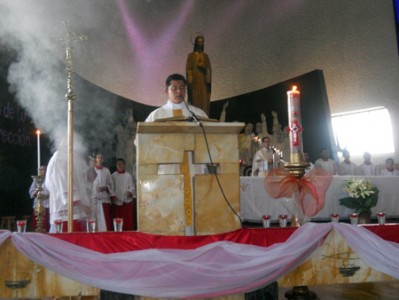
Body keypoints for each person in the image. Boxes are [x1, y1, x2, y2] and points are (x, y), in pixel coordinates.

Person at [45, 140, 91, 233]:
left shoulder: (72, 157)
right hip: (66, 213)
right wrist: (81, 205)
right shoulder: (59, 158)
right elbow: (64, 184)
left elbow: (84, 178)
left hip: (76, 214)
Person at [186, 34, 212, 115]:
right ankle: (195, 116)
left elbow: (209, 69)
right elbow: (188, 68)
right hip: (195, 82)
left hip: (203, 82)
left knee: (204, 100)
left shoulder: (205, 56)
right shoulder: (191, 56)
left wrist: (203, 67)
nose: (200, 44)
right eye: (199, 42)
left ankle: (204, 116)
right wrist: (190, 78)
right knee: (195, 99)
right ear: (196, 43)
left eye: (202, 42)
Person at [111, 158, 136, 231]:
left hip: (126, 202)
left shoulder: (128, 176)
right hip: (117, 202)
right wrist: (113, 195)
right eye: (117, 164)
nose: (119, 165)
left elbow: (132, 187)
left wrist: (130, 192)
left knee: (127, 221)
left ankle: (128, 233)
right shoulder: (113, 176)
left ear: (124, 165)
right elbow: (111, 188)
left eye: (120, 163)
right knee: (118, 221)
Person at [92, 153, 114, 231]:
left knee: (105, 220)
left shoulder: (106, 171)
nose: (99, 159)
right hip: (94, 198)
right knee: (94, 219)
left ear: (103, 160)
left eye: (101, 158)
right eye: (98, 158)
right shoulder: (92, 170)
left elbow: (111, 184)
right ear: (95, 159)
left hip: (104, 198)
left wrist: (105, 187)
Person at [29, 165, 50, 231]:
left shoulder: (49, 179)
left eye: (42, 170)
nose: (41, 171)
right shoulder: (36, 180)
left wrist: (45, 195)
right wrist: (37, 193)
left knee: (46, 224)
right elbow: (31, 190)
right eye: (39, 170)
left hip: (47, 203)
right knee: (36, 223)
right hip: (38, 203)